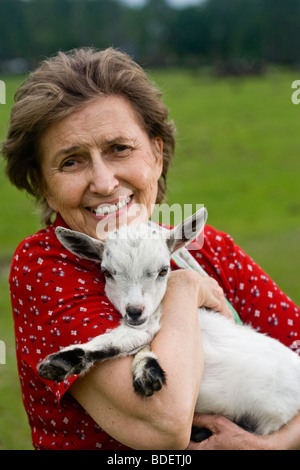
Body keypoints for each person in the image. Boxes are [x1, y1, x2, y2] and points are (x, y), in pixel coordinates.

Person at [2, 47, 300, 450]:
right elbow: (164, 425)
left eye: (119, 149)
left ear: (156, 155)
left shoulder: (209, 248)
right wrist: (184, 288)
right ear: (43, 185)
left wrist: (278, 444)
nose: (104, 182)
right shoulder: (48, 265)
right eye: (71, 162)